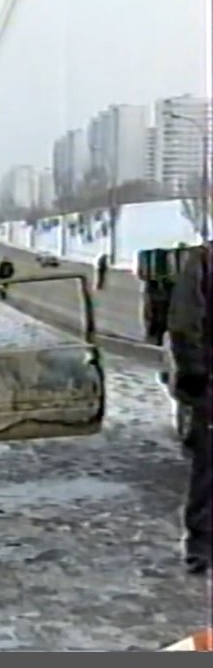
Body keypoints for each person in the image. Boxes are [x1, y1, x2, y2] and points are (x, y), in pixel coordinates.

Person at [167, 242, 211, 575]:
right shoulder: (203, 260)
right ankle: (201, 546)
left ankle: (202, 546)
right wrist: (193, 369)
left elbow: (183, 321)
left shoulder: (203, 259)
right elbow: (184, 322)